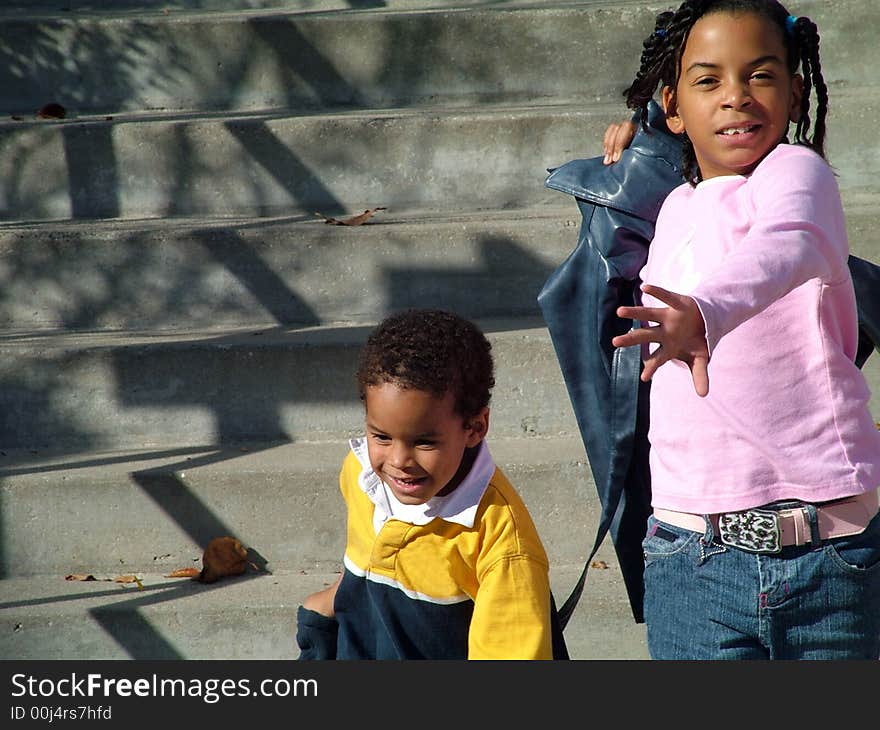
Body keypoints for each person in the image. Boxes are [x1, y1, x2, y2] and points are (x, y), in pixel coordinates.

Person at [599, 0, 880, 659]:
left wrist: (705, 312)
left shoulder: (796, 174)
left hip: (831, 557)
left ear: (795, 90)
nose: (736, 98)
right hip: (689, 559)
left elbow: (790, 245)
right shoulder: (670, 205)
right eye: (708, 81)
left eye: (760, 75)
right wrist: (634, 141)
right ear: (672, 105)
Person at [295, 308, 568, 659]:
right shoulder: (360, 474)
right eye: (381, 436)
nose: (398, 461)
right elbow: (368, 568)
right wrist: (324, 607)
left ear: (474, 428)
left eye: (424, 442)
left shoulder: (501, 541)